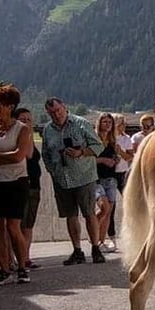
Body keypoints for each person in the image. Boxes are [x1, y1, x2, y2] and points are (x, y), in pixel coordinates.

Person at [0, 85, 33, 285]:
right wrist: (2, 157)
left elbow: (19, 156)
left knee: (13, 226)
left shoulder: (23, 129)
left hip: (16, 182)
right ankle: (3, 268)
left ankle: (21, 267)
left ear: (10, 106)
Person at [41, 97, 106, 265]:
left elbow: (98, 145)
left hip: (84, 176)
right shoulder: (48, 130)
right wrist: (52, 170)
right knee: (70, 215)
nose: (56, 115)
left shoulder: (80, 123)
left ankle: (95, 248)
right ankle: (77, 250)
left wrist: (81, 152)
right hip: (62, 179)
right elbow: (45, 153)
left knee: (89, 213)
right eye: (52, 113)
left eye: (58, 111)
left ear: (65, 107)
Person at [15, 107, 42, 269]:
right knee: (17, 225)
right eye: (22, 120)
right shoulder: (17, 138)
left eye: (29, 120)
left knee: (28, 225)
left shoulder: (30, 137)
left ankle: (26, 257)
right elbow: (28, 155)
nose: (26, 123)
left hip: (34, 185)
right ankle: (18, 259)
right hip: (21, 184)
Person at [106, 113, 134, 251]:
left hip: (122, 174)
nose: (124, 125)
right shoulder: (108, 138)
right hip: (109, 174)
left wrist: (120, 152)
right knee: (110, 207)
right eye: (122, 123)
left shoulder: (126, 138)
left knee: (131, 203)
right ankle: (111, 238)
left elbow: (130, 157)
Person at [94, 112, 120, 253]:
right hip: (96, 179)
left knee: (108, 212)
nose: (107, 124)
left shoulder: (112, 142)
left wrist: (115, 159)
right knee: (103, 208)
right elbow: (88, 160)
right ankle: (94, 236)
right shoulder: (94, 140)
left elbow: (115, 158)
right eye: (104, 122)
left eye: (109, 122)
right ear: (99, 123)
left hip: (110, 178)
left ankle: (101, 242)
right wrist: (104, 160)